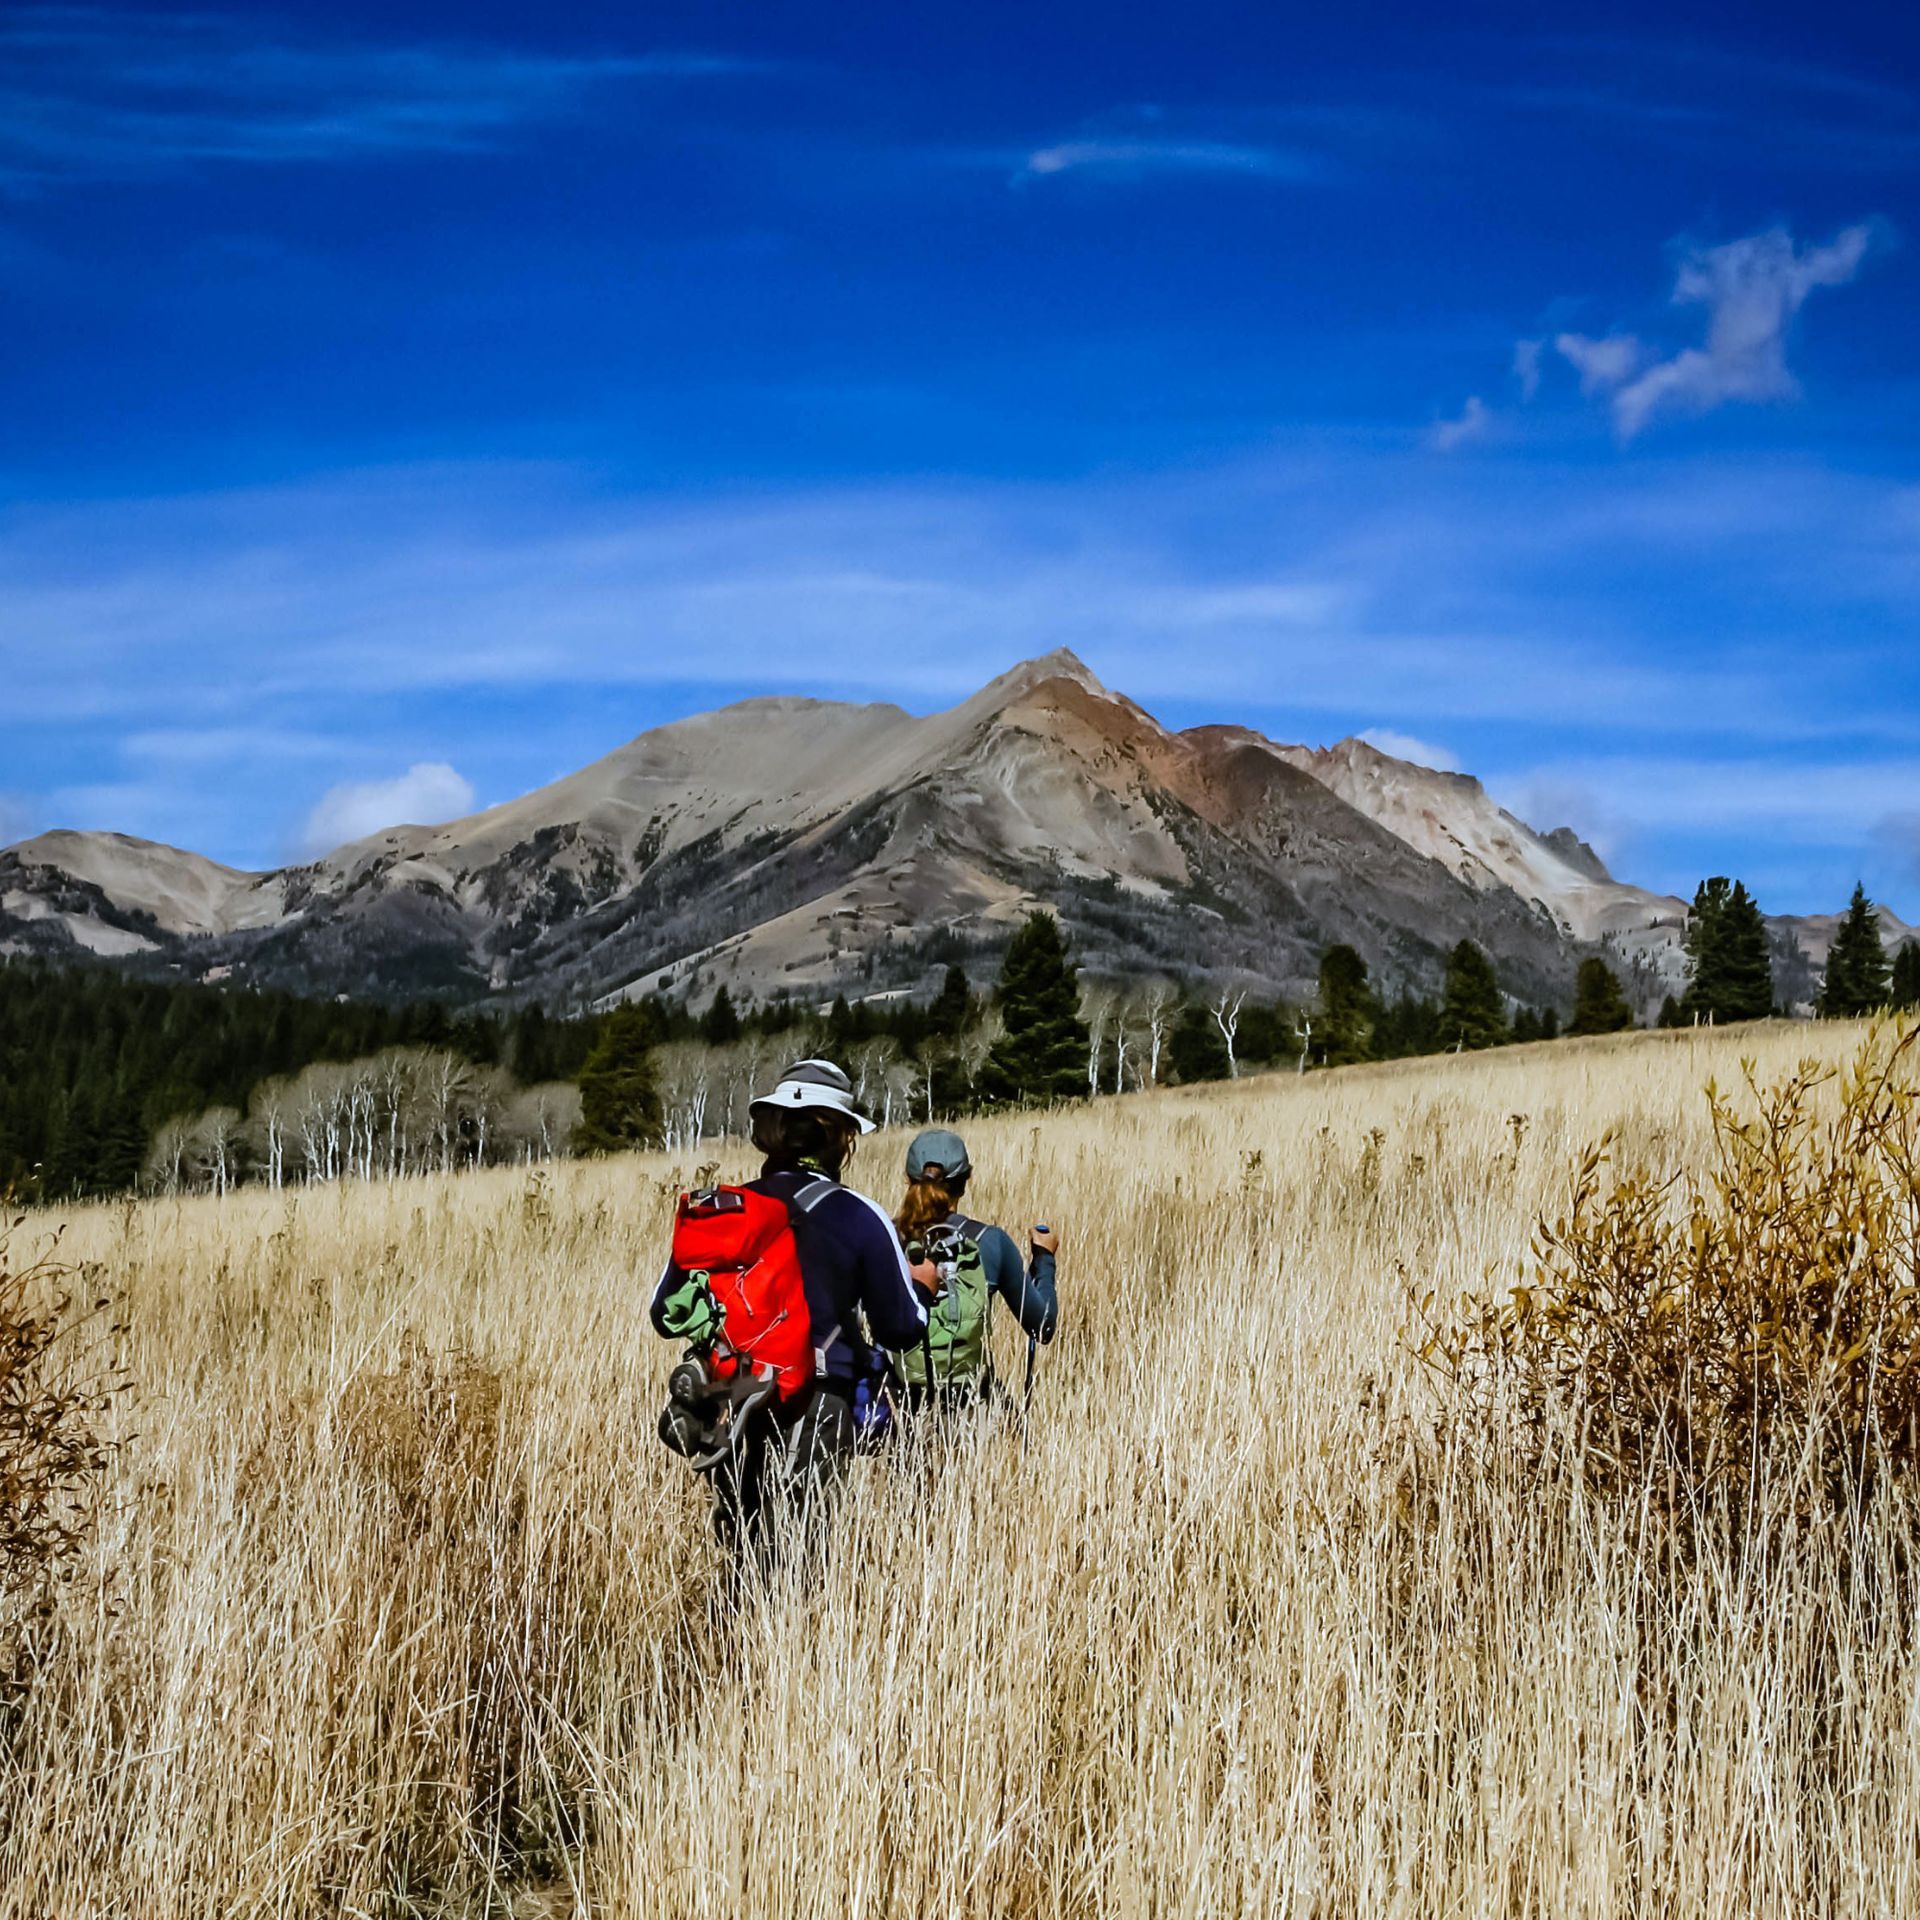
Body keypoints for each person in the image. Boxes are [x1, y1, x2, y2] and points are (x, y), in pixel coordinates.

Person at [650, 1057, 927, 1556]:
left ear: (772, 1131)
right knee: (801, 1559)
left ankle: (729, 1630)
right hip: (819, 1399)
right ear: (842, 1137)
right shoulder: (862, 1217)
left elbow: (663, 1309)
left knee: (743, 1548)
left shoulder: (723, 1212)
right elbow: (903, 1328)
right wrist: (923, 1287)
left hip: (731, 1394)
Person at [891, 1126, 1058, 1409]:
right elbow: (1041, 1326)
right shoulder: (990, 1242)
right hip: (969, 1406)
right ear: (967, 1181)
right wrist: (1044, 1260)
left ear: (907, 1179)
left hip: (901, 1404)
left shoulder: (883, 1237)